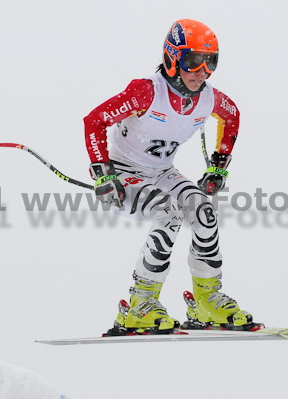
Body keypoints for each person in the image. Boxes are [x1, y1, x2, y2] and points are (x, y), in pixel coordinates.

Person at [84, 19, 258, 335]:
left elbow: (232, 117)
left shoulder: (209, 99)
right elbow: (94, 121)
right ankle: (139, 306)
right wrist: (102, 174)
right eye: (193, 61)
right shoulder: (146, 92)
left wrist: (218, 167)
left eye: (211, 62)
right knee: (169, 213)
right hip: (124, 176)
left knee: (204, 212)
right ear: (172, 57)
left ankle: (206, 301)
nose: (202, 71)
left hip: (163, 173)